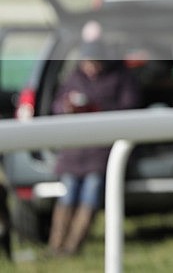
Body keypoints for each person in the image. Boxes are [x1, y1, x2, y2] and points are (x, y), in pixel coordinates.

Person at [47, 28, 141, 256]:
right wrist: (67, 107)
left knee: (91, 191)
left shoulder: (121, 77)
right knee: (68, 193)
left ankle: (73, 248)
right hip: (74, 151)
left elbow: (130, 109)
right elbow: (56, 105)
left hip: (102, 151)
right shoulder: (74, 78)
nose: (90, 66)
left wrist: (98, 109)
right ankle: (55, 247)